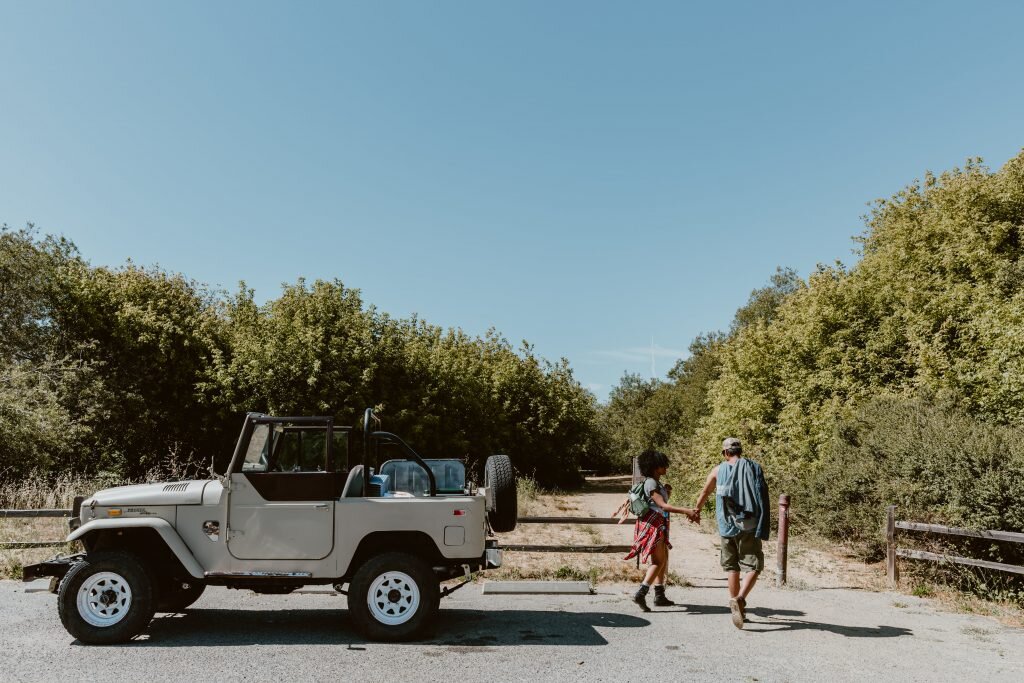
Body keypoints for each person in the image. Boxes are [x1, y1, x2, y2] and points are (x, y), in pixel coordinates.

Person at [694, 437, 770, 629]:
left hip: (726, 526)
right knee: (754, 565)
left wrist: (696, 510)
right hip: (749, 525)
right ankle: (741, 600)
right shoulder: (752, 468)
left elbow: (705, 493)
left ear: (725, 453)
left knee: (732, 567)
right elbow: (761, 494)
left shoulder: (718, 470)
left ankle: (734, 603)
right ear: (740, 451)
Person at [624, 449, 699, 612]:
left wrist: (667, 492)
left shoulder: (656, 484)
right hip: (654, 526)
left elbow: (659, 504)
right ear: (654, 466)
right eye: (662, 464)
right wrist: (687, 510)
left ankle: (659, 595)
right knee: (658, 562)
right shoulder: (651, 483)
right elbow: (662, 506)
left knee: (662, 559)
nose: (666, 467)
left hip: (658, 524)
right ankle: (641, 592)